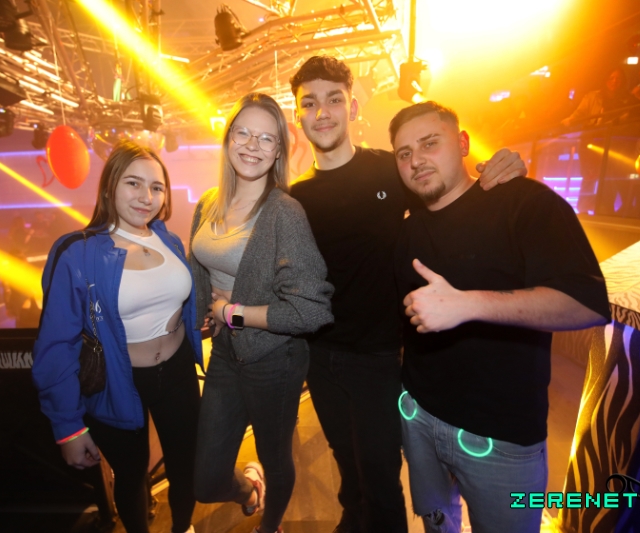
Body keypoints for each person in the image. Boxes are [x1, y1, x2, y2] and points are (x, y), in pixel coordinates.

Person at [287, 56, 528, 533]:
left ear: (353, 107)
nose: (323, 112)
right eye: (309, 103)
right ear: (298, 115)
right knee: (345, 461)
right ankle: (352, 520)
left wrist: (500, 172)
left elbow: (454, 195)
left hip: (378, 357)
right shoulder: (298, 196)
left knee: (380, 476)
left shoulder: (390, 169)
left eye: (334, 99)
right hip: (320, 354)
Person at [389, 101, 611, 533]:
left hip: (501, 438)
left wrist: (467, 304)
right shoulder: (408, 228)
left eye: (430, 143)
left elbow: (587, 303)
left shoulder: (524, 202)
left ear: (463, 143)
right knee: (438, 525)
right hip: (418, 417)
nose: (416, 160)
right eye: (404, 153)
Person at [32, 140, 202, 533]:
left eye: (157, 187)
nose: (147, 197)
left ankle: (182, 528)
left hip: (177, 372)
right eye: (133, 183)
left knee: (186, 466)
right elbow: (56, 345)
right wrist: (68, 427)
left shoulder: (169, 240)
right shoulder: (76, 252)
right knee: (131, 474)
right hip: (117, 382)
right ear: (109, 187)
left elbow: (180, 305)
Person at [189, 92, 334, 533]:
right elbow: (201, 267)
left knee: (275, 456)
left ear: (278, 152)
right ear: (228, 139)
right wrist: (204, 312)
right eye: (244, 133)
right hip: (225, 355)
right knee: (206, 478)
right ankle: (249, 489)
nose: (252, 145)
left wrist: (230, 312)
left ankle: (269, 526)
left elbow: (311, 310)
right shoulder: (208, 203)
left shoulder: (284, 213)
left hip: (275, 359)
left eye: (266, 138)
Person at [562, 67, 630, 127]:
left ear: (623, 81)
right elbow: (580, 112)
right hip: (592, 133)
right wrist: (570, 119)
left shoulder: (626, 100)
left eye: (618, 78)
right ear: (606, 79)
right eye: (611, 78)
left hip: (616, 134)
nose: (614, 81)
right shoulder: (592, 96)